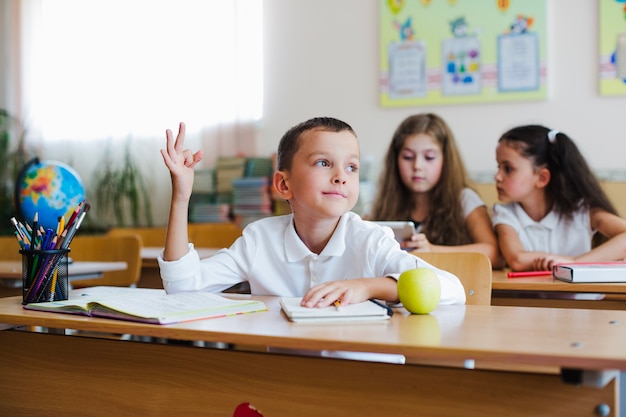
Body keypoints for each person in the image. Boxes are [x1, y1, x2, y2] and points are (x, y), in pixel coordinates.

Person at [158, 117, 466, 309]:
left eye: (352, 167)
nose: (341, 176)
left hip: (366, 380)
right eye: (323, 163)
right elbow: (183, 287)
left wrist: (369, 286)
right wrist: (181, 196)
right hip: (285, 384)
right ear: (283, 183)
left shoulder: (370, 240)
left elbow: (452, 289)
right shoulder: (259, 240)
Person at [370, 113, 502, 268]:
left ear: (446, 160)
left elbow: (493, 253)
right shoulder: (386, 203)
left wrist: (432, 251)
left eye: (429, 157)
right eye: (408, 157)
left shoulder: (464, 199)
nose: (417, 166)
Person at [493, 125, 626, 271]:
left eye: (508, 169)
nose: (497, 176)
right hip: (530, 294)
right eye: (498, 166)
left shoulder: (582, 211)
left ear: (542, 178)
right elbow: (517, 259)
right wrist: (567, 262)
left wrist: (575, 262)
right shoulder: (505, 214)